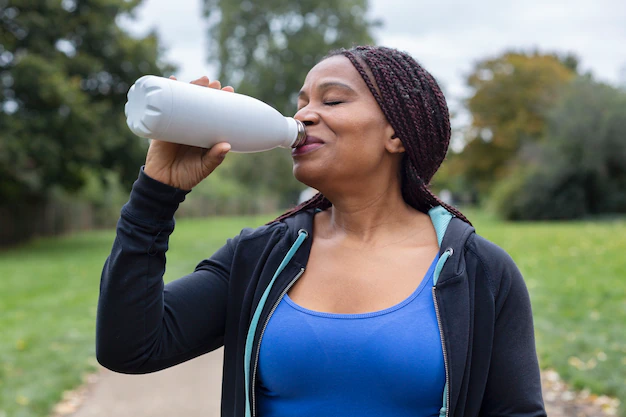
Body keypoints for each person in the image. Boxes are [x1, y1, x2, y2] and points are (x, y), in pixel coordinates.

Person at [96, 45, 546, 417]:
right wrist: (157, 193)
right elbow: (130, 347)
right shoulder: (259, 257)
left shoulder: (477, 271)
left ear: (398, 134)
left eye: (331, 101)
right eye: (302, 103)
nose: (306, 115)